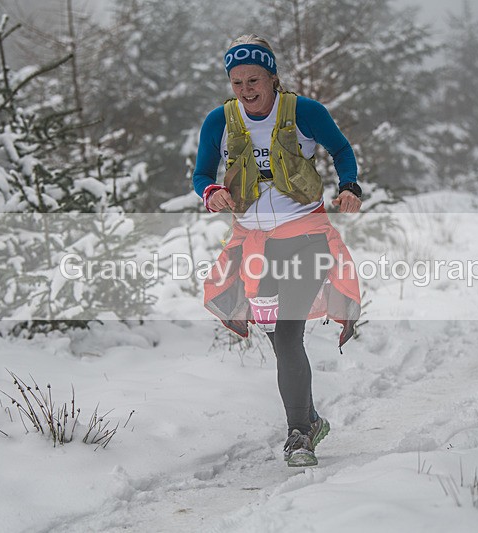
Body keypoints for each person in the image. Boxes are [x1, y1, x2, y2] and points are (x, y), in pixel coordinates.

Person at [192, 35, 362, 467]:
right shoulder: (220, 120)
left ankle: (298, 435)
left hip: (305, 235)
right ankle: (310, 419)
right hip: (253, 243)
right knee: (277, 335)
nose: (247, 89)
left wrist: (349, 186)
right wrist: (211, 192)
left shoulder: (304, 112)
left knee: (288, 333)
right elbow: (200, 174)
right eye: (237, 82)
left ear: (272, 78)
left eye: (254, 80)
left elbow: (341, 150)